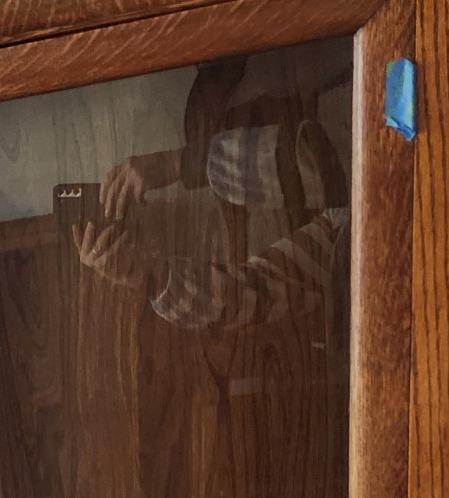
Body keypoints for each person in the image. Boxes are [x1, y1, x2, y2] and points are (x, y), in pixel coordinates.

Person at [73, 53, 351, 332]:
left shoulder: (352, 93)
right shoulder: (338, 232)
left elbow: (325, 160)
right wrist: (148, 276)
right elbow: (258, 291)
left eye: (249, 133)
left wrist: (181, 164)